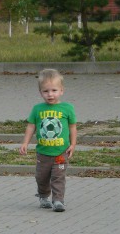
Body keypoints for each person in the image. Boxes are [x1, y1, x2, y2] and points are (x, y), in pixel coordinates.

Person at [19, 69, 77, 212]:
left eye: (54, 90)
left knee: (58, 177)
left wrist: (73, 144)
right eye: (46, 91)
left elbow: (72, 128)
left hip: (60, 152)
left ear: (62, 91)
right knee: (41, 177)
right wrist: (25, 143)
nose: (50, 94)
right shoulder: (37, 109)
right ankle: (44, 197)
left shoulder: (67, 108)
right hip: (43, 153)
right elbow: (31, 126)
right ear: (40, 92)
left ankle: (58, 200)